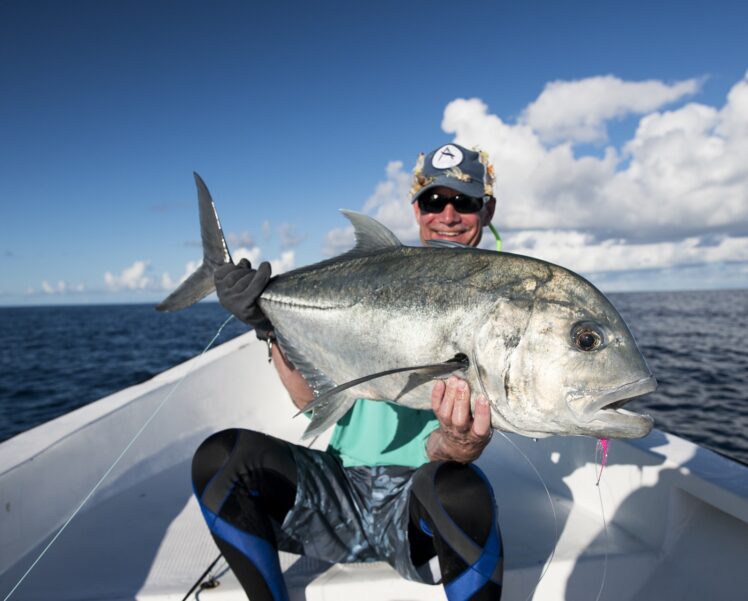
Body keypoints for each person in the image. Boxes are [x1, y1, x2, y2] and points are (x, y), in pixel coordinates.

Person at [191, 143, 503, 600]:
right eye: (435, 200)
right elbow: (305, 398)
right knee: (220, 458)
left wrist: (459, 443)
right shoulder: (372, 278)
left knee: (463, 491)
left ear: (487, 209)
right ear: (417, 209)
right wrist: (268, 326)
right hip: (337, 492)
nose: (449, 215)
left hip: (417, 509)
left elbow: (443, 447)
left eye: (466, 201)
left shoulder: (502, 306)